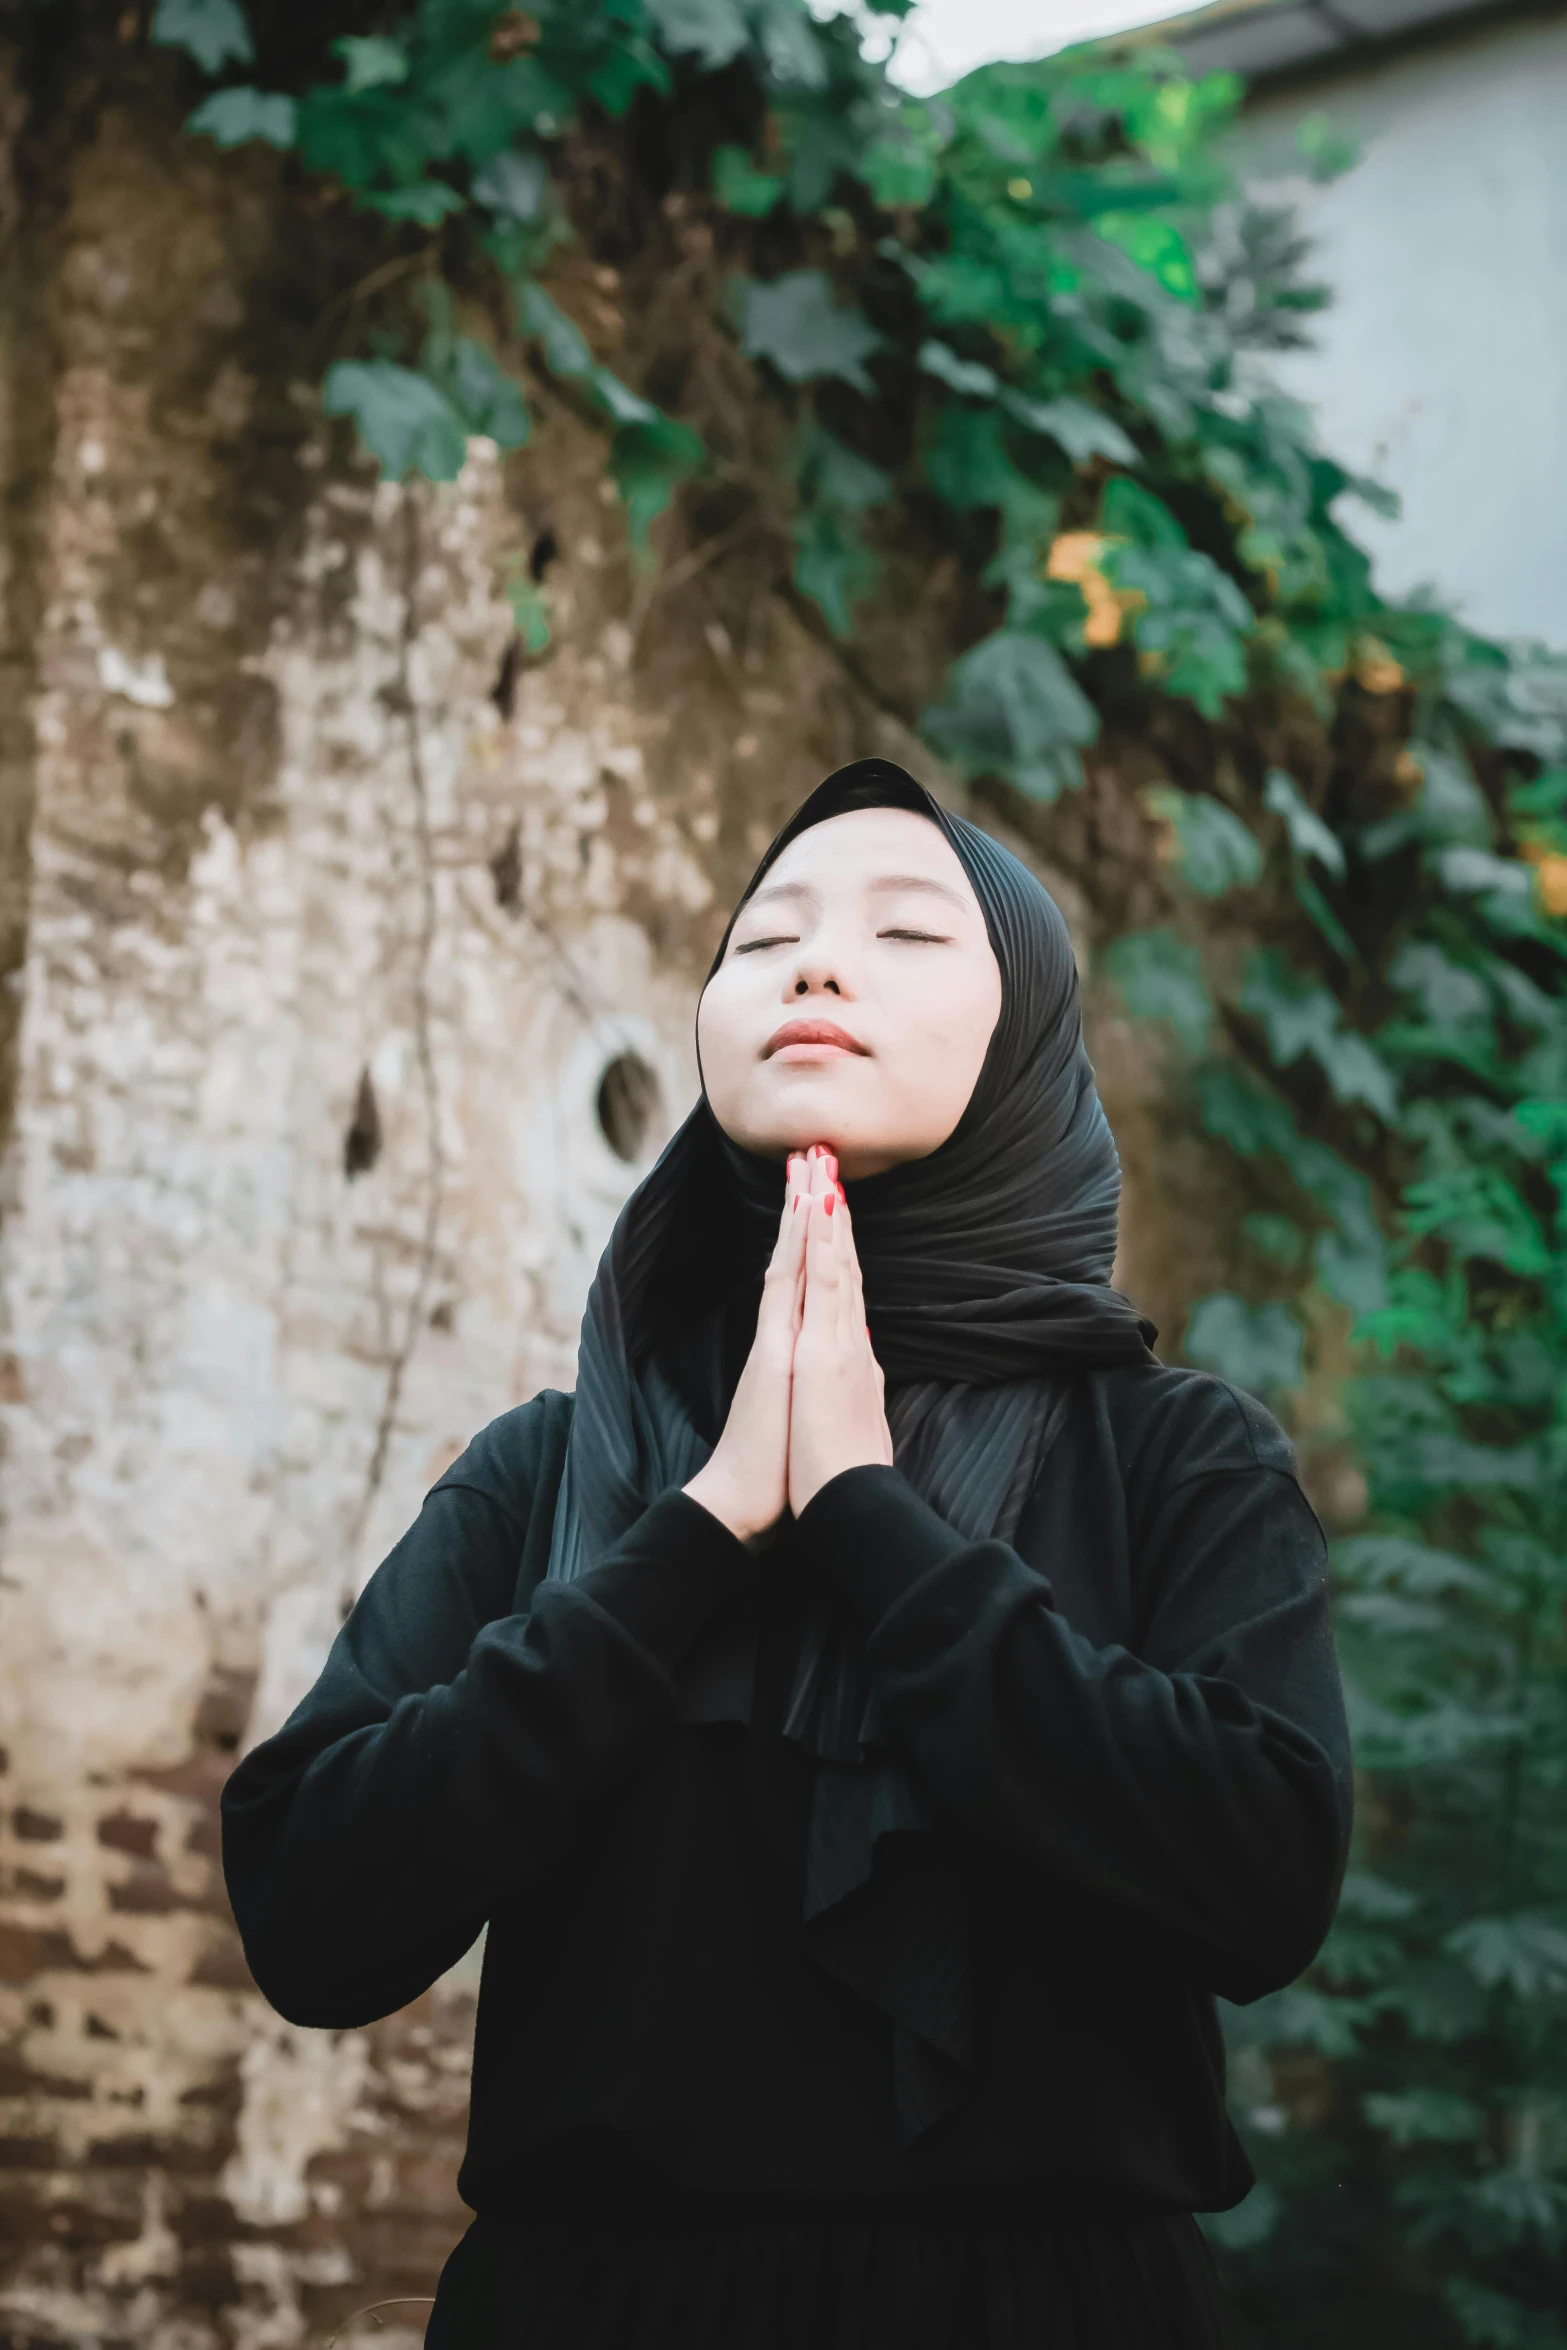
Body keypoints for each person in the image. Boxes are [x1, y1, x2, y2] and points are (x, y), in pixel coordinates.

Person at [222, 759, 1353, 2349]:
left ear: (1026, 1039)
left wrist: (873, 1520)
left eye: (904, 932)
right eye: (764, 940)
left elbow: (1261, 1881)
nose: (813, 965)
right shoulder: (551, 1467)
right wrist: (691, 1535)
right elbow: (312, 1915)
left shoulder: (1172, 1455)